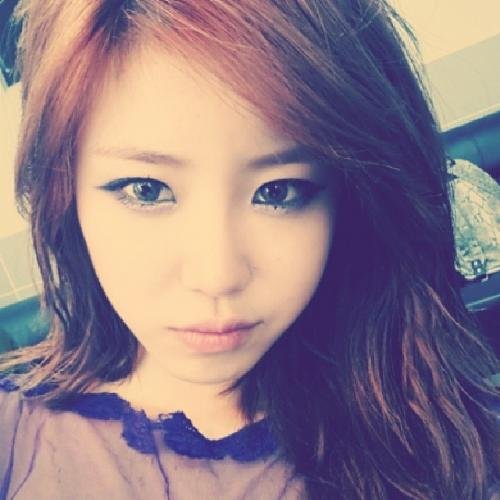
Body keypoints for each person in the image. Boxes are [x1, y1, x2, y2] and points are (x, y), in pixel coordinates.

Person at [1, 1, 499, 498]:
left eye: (278, 192)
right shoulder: (14, 440)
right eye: (147, 190)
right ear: (66, 193)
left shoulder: (445, 442)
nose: (217, 276)